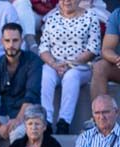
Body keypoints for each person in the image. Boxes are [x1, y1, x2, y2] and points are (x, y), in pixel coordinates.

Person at [39, 0, 99, 134]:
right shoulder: (51, 18)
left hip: (81, 66)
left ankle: (63, 123)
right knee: (46, 73)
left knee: (71, 76)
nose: (67, 1)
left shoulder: (91, 17)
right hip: (56, 65)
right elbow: (43, 48)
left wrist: (70, 64)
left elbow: (93, 49)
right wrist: (54, 64)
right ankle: (46, 121)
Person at [0, 22, 42, 141]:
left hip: (29, 116)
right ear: (2, 41)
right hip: (4, 114)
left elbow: (31, 95)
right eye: (7, 41)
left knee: (17, 133)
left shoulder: (33, 61)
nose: (11, 45)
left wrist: (18, 120)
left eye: (15, 40)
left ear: (22, 41)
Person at [91, 4, 120, 100]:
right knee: (100, 67)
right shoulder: (117, 14)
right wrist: (117, 59)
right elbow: (106, 50)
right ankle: (99, 112)